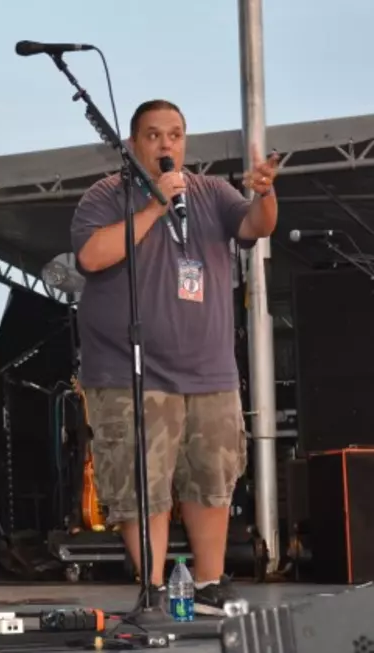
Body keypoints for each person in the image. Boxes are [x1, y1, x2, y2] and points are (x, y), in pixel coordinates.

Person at [70, 99, 279, 618]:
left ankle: (209, 584)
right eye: (155, 135)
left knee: (211, 480)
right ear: (133, 142)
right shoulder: (105, 195)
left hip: (210, 371)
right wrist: (154, 207)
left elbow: (258, 227)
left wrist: (266, 192)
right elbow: (92, 257)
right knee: (143, 486)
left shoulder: (210, 192)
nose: (167, 145)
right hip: (131, 375)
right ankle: (156, 589)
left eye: (176, 134)